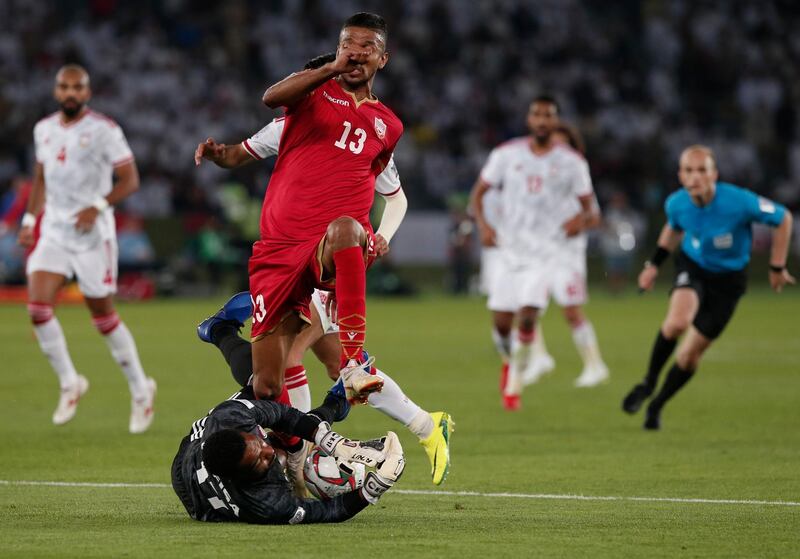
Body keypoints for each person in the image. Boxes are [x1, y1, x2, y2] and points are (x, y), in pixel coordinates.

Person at [194, 54, 453, 485]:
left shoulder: (368, 135)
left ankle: (302, 457)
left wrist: (384, 234)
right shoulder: (288, 127)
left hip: (329, 260)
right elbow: (240, 153)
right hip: (287, 257)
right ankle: (426, 425)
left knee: (302, 360)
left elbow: (398, 197)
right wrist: (220, 153)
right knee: (306, 374)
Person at [197, 13, 403, 417]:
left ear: (383, 59)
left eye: (368, 47)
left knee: (346, 229)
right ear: (338, 48)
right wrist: (222, 156)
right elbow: (269, 100)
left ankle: (354, 361)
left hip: (324, 247)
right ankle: (221, 333)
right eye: (349, 44)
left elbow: (375, 185)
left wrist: (377, 234)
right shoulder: (310, 95)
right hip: (277, 250)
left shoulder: (389, 126)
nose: (357, 53)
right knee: (269, 384)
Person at [17, 64, 156, 432]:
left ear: (87, 92)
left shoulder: (104, 130)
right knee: (37, 308)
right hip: (54, 231)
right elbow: (41, 177)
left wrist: (97, 206)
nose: (70, 93)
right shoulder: (43, 129)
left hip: (94, 235)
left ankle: (141, 388)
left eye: (77, 88)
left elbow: (130, 180)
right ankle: (69, 382)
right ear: (55, 90)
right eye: (64, 87)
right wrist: (30, 221)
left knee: (102, 315)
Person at [622, 145, 794, 430]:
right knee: (677, 322)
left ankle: (658, 404)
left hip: (728, 282)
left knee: (689, 356)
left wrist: (777, 267)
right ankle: (648, 383)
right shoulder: (676, 203)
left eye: (702, 170)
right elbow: (674, 227)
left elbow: (783, 218)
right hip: (693, 266)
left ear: (715, 174)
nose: (695, 177)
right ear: (680, 175)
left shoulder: (739, 202)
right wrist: (653, 266)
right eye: (689, 170)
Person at [470, 95, 609, 411]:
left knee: (531, 314)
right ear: (529, 120)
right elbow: (478, 194)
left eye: (549, 116)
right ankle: (517, 361)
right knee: (503, 322)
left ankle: (517, 383)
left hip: (548, 254)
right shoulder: (506, 155)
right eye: (537, 115)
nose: (543, 121)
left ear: (556, 121)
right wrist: (484, 228)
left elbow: (591, 210)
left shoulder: (572, 163)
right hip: (508, 250)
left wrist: (581, 220)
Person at [171, 386, 405, 524]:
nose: (267, 451)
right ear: (241, 476)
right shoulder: (266, 502)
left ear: (242, 432)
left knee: (266, 385)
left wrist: (333, 442)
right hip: (194, 494)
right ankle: (335, 402)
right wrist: (376, 487)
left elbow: (284, 416)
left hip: (193, 447)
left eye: (259, 444)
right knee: (282, 455)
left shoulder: (230, 417)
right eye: (259, 460)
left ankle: (221, 332)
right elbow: (328, 512)